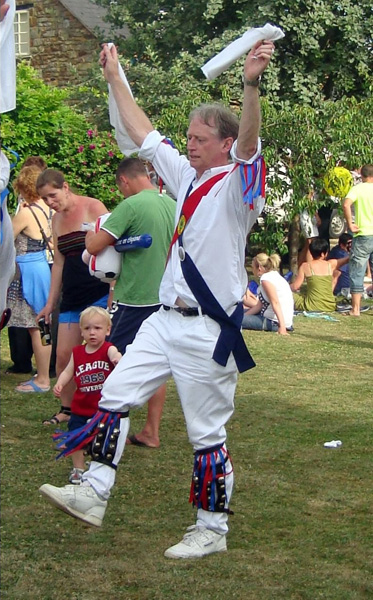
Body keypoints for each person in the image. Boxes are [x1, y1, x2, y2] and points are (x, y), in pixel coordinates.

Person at [39, 39, 275, 559]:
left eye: (199, 138)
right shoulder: (185, 175)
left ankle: (212, 529)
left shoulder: (239, 187)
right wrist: (115, 77)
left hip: (209, 331)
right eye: (188, 137)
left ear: (225, 143)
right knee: (111, 394)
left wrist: (251, 85)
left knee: (205, 433)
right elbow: (144, 134)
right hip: (163, 322)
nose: (189, 144)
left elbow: (252, 144)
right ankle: (94, 492)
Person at [85, 157, 176, 448]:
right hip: (165, 298)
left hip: (135, 298)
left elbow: (94, 246)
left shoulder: (131, 205)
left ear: (124, 180)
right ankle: (151, 430)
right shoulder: (172, 205)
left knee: (110, 360)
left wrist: (89, 234)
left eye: (120, 187)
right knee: (155, 363)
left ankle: (100, 427)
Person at [36, 169, 109, 423]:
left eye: (52, 196)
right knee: (64, 355)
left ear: (66, 187)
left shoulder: (93, 206)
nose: (50, 202)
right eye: (45, 199)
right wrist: (49, 303)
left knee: (96, 356)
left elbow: (112, 249)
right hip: (72, 295)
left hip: (98, 292)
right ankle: (67, 409)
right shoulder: (56, 220)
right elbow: (58, 263)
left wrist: (113, 290)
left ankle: (99, 410)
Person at [53, 306, 121, 484]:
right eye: (87, 328)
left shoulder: (107, 349)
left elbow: (115, 354)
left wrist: (117, 358)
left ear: (107, 330)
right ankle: (78, 469)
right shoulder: (78, 353)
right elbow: (69, 371)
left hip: (102, 409)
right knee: (76, 437)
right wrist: (60, 383)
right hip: (80, 408)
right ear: (81, 331)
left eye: (97, 328)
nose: (92, 333)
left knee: (101, 440)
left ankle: (98, 468)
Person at [7, 166, 53, 392]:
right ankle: (43, 375)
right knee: (42, 324)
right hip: (42, 267)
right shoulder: (47, 208)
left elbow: (6, 238)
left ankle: (42, 379)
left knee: (36, 325)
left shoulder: (25, 212)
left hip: (27, 271)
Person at [343, 164, 373, 316]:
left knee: (357, 271)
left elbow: (346, 204)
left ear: (361, 175)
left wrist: (350, 223)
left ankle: (355, 309)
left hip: (363, 234)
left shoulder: (358, 189)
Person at [291, 237, 349, 312]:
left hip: (312, 306)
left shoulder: (305, 266)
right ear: (323, 254)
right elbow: (347, 259)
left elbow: (295, 286)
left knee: (291, 295)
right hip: (330, 306)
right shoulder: (330, 264)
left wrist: (285, 287)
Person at [242, 253, 294, 334]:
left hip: (274, 322)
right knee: (238, 313)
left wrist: (282, 327)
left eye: (252, 267)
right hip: (279, 321)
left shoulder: (266, 279)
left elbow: (275, 302)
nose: (252, 270)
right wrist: (244, 315)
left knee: (233, 318)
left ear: (259, 268)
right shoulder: (274, 276)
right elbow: (259, 306)